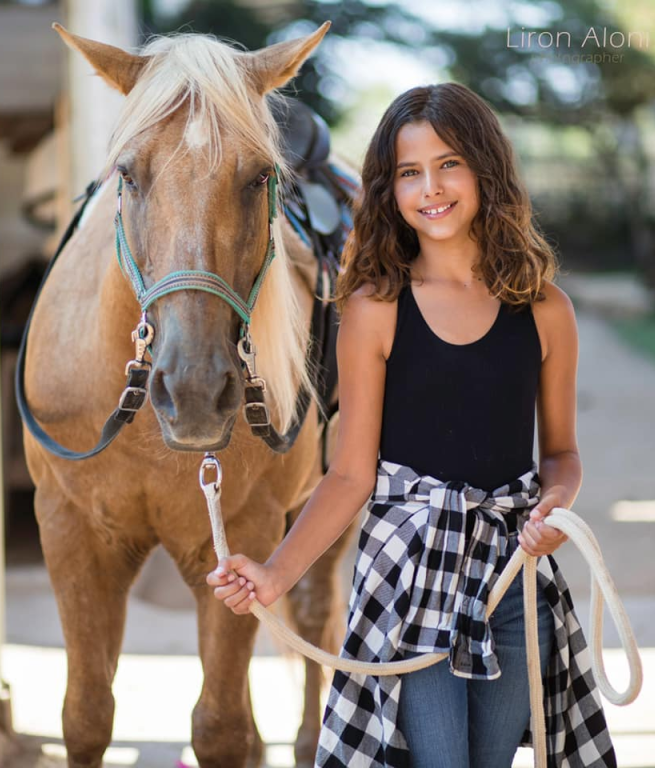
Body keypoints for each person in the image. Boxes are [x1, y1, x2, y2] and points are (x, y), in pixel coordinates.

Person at [207, 83, 615, 768]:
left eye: (449, 163)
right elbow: (349, 474)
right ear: (389, 187)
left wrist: (555, 506)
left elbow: (564, 455)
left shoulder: (547, 310)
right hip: (408, 578)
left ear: (487, 168)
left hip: (513, 572)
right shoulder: (375, 307)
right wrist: (276, 574)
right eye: (408, 172)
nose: (431, 187)